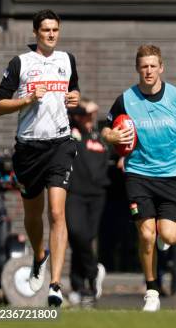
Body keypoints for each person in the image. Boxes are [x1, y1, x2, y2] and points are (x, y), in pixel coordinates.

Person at [101, 45, 176, 311]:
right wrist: (112, 136)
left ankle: (163, 236)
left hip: (174, 175)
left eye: (152, 66)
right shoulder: (126, 99)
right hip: (139, 174)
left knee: (169, 237)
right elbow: (105, 129)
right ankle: (151, 290)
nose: (148, 71)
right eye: (143, 66)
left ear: (161, 67)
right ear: (138, 69)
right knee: (146, 235)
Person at [0, 9, 80, 306]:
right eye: (46, 30)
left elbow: (74, 91)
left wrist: (75, 98)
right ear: (35, 33)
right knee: (33, 215)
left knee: (57, 212)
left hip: (60, 144)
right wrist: (27, 99)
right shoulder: (21, 63)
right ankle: (39, 256)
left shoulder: (67, 60)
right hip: (29, 149)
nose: (52, 34)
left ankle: (55, 284)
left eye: (55, 29)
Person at [66, 99, 109, 308]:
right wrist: (84, 108)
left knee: (83, 241)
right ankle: (94, 272)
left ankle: (79, 288)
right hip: (75, 193)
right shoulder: (71, 131)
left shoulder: (101, 134)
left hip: (97, 195)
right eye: (83, 114)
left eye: (89, 115)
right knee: (76, 233)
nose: (87, 118)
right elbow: (67, 109)